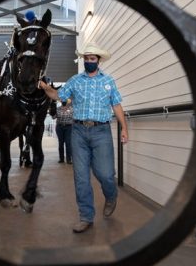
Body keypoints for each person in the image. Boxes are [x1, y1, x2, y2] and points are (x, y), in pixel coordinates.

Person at [39, 42, 129, 233]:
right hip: (78, 131)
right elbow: (58, 95)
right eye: (86, 58)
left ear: (98, 60)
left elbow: (117, 105)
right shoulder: (75, 80)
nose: (89, 61)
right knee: (81, 177)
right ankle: (86, 217)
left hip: (101, 131)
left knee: (105, 174)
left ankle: (111, 196)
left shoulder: (108, 81)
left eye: (92, 58)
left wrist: (124, 128)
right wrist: (46, 88)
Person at [55, 98, 73, 163]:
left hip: (69, 127)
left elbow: (73, 117)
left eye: (65, 101)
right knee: (61, 143)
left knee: (68, 143)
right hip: (59, 127)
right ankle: (61, 159)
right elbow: (54, 117)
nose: (64, 102)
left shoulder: (71, 109)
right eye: (63, 101)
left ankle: (69, 159)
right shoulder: (58, 109)